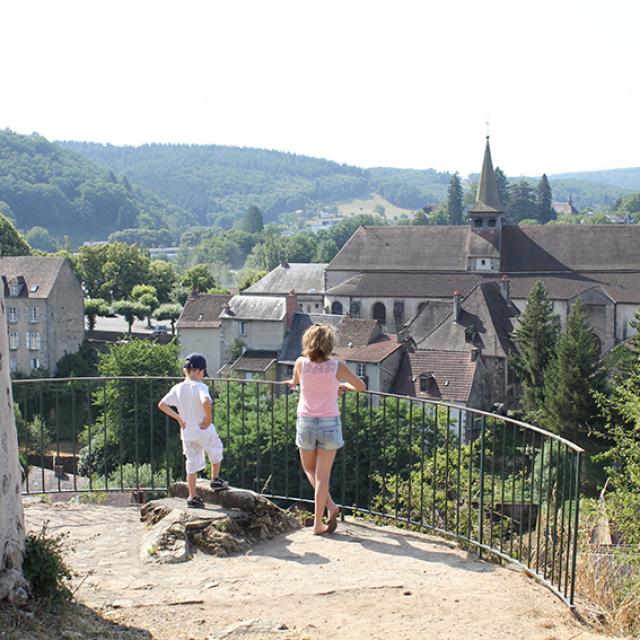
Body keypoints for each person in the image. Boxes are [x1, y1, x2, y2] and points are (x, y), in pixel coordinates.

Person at [289, 323, 366, 535]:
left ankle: (329, 509)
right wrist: (343, 386)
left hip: (305, 421)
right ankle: (319, 521)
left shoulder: (300, 363)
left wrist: (296, 382)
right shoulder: (336, 366)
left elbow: (296, 382)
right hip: (329, 422)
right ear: (329, 344)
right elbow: (361, 386)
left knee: (309, 470)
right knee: (323, 476)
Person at [158, 353, 228, 508]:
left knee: (191, 462)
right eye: (203, 373)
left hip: (187, 431)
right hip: (203, 429)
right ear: (199, 371)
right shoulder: (200, 386)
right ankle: (215, 479)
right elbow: (205, 401)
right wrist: (208, 419)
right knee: (216, 449)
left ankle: (192, 496)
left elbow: (162, 405)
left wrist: (178, 418)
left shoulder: (177, 388)